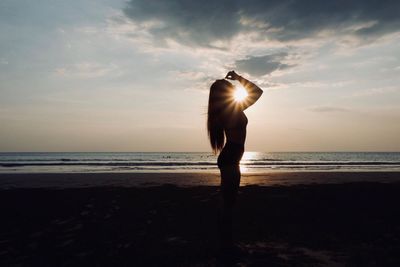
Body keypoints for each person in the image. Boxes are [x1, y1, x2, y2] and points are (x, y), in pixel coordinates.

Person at [207, 70, 263, 254]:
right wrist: (238, 78)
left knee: (227, 199)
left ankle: (225, 241)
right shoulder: (231, 110)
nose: (232, 91)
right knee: (229, 201)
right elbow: (257, 92)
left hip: (230, 157)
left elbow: (256, 93)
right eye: (229, 89)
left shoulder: (225, 111)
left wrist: (235, 82)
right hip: (231, 157)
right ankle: (226, 244)